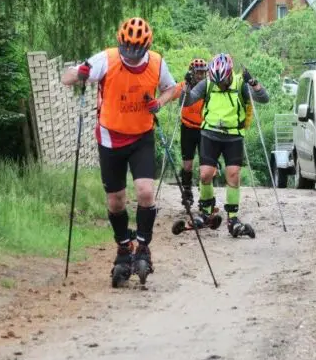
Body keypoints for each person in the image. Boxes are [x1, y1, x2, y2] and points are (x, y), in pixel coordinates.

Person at [61, 17, 178, 286]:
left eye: (137, 53)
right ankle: (124, 247)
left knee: (146, 192)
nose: (132, 57)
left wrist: (159, 102)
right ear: (121, 43)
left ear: (146, 47)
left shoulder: (157, 62)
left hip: (141, 137)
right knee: (116, 200)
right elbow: (68, 76)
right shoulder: (107, 59)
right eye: (128, 51)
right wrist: (78, 74)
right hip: (110, 138)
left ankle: (143, 246)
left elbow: (171, 88)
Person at [182, 53, 269, 237]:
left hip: (233, 136)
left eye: (223, 82)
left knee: (233, 175)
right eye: (217, 82)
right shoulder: (208, 83)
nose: (220, 85)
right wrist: (187, 87)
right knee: (205, 174)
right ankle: (206, 213)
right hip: (209, 134)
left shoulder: (240, 84)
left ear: (230, 74)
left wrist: (253, 83)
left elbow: (263, 98)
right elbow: (187, 101)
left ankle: (233, 218)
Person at [172, 58, 209, 208]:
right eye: (197, 72)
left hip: (204, 129)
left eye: (203, 72)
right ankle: (187, 193)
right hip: (187, 128)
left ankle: (205, 195)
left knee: (205, 166)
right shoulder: (183, 86)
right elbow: (170, 93)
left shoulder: (208, 88)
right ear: (191, 73)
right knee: (187, 165)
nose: (200, 76)